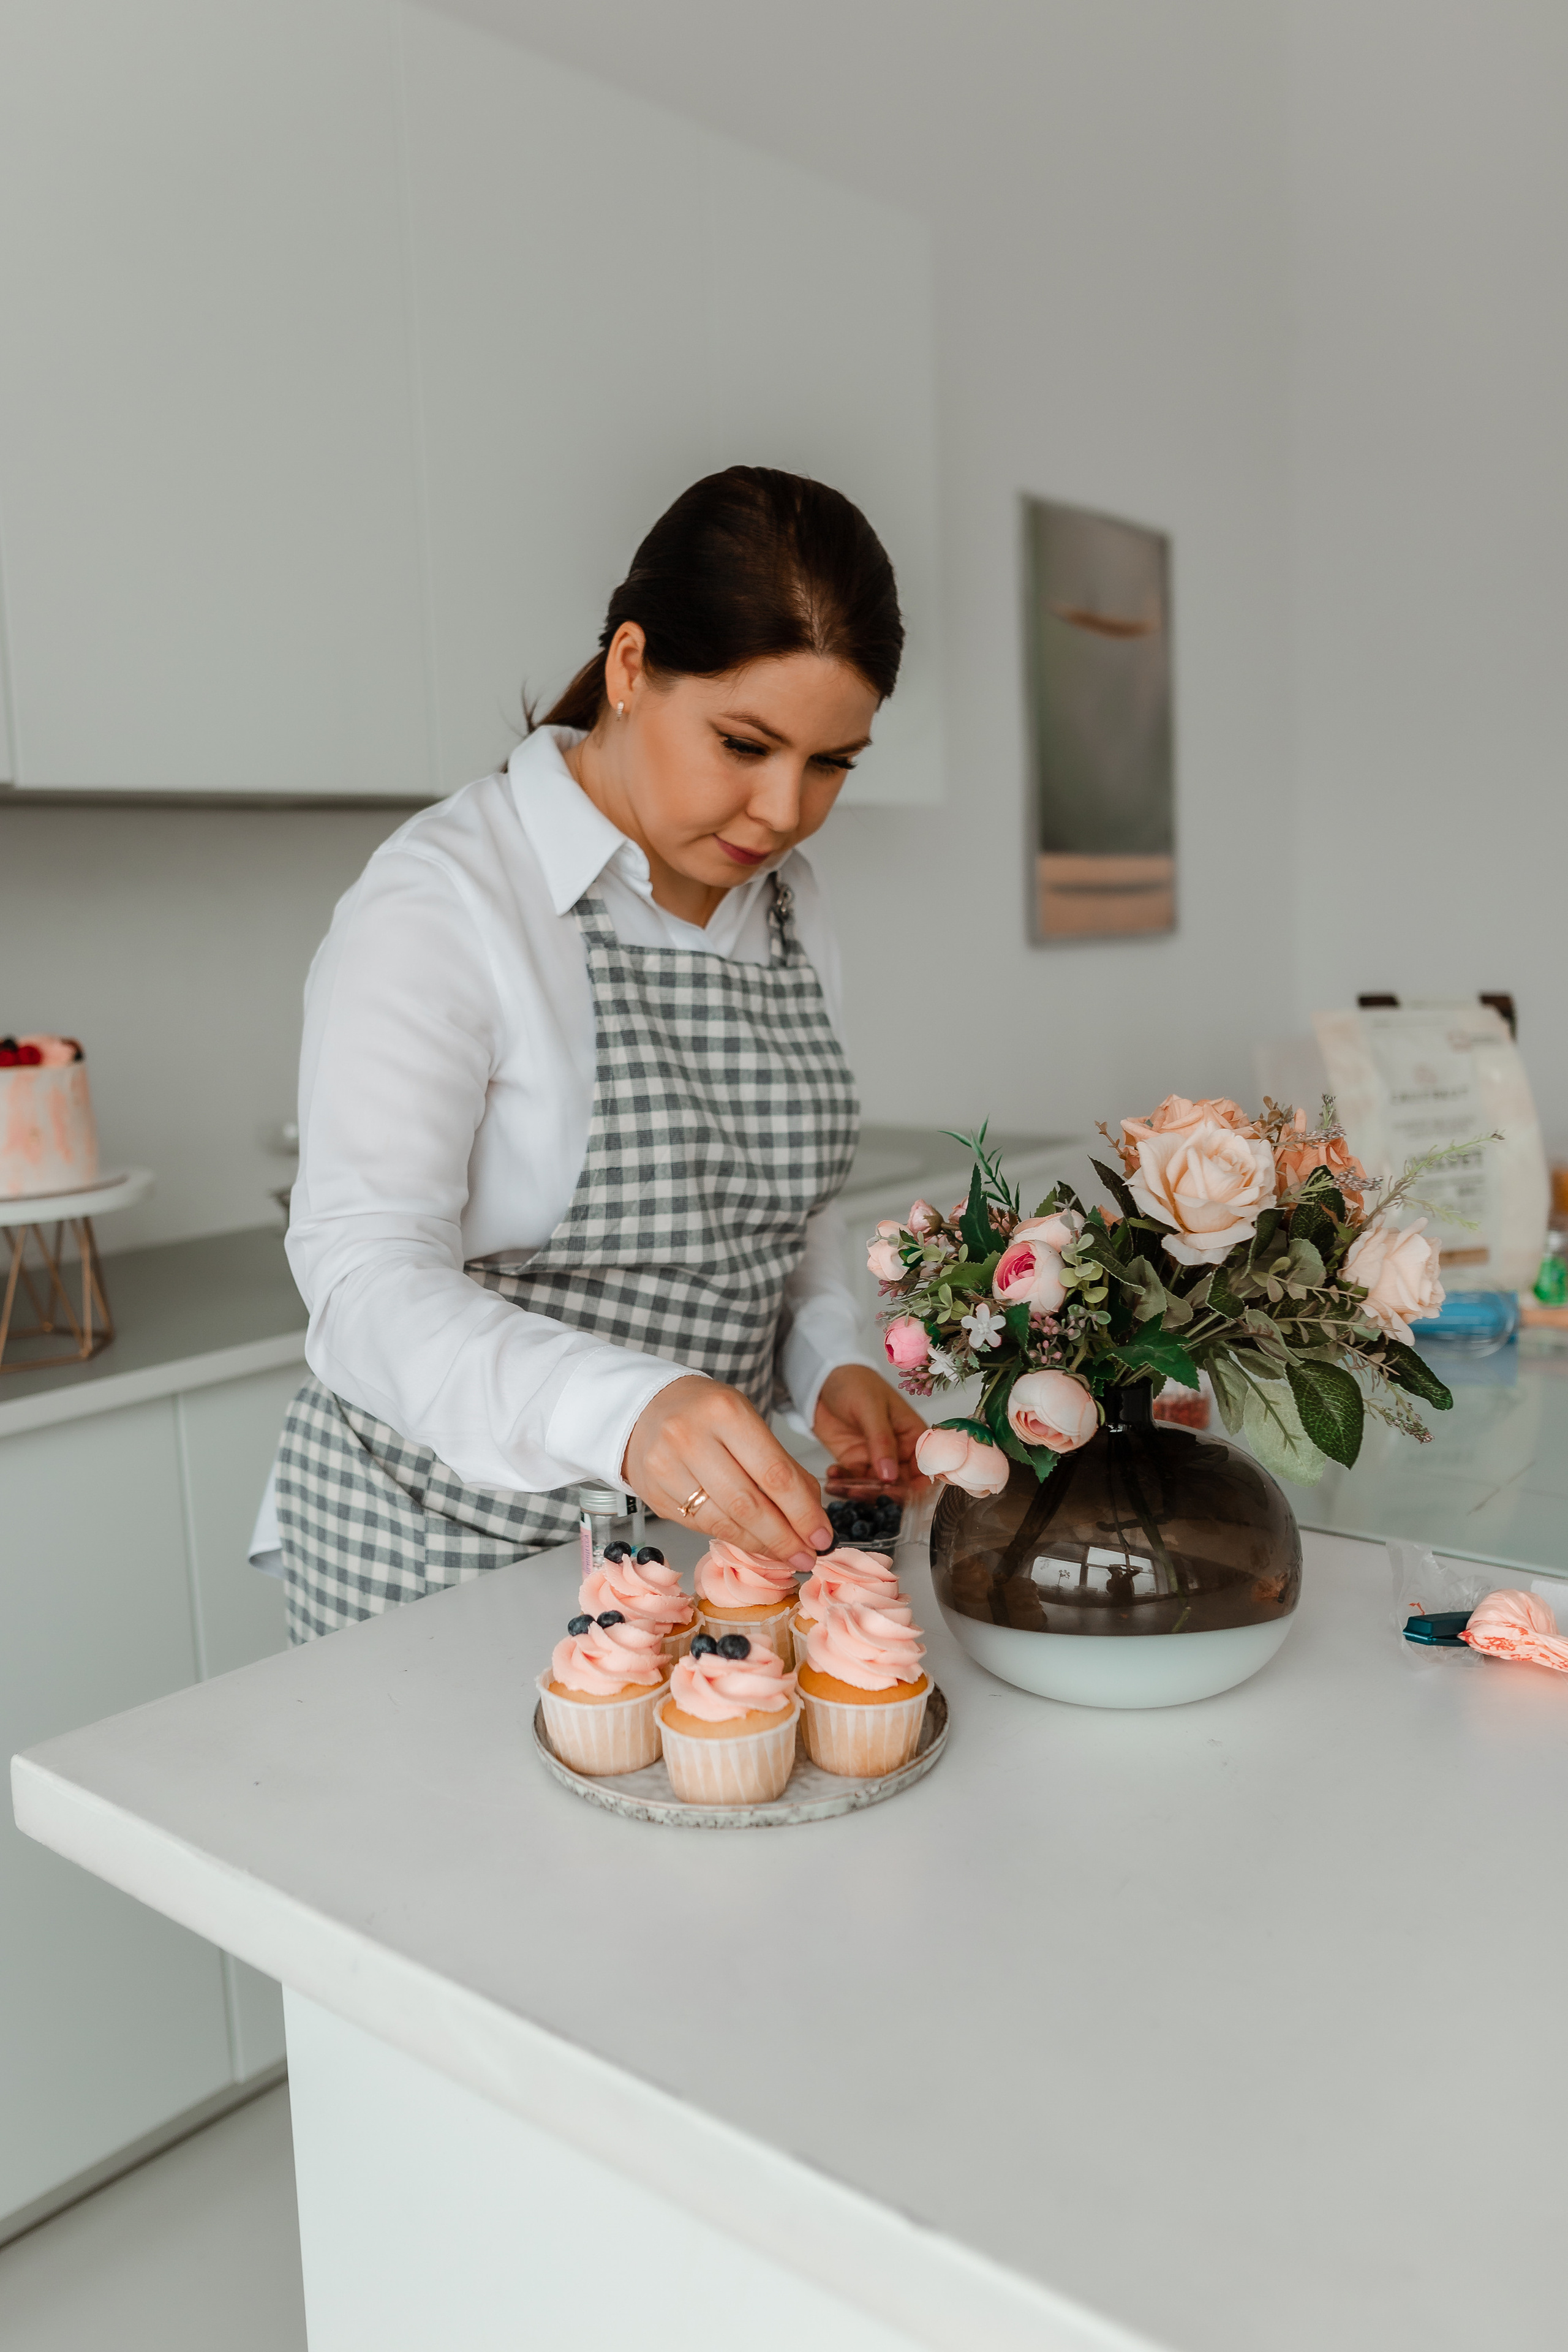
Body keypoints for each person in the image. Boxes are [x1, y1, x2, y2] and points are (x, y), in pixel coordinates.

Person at [265, 465, 924, 1642]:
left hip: (693, 1545)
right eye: (744, 743)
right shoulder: (447, 898)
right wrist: (626, 1410)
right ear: (630, 668)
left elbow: (784, 1218)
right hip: (443, 1545)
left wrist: (832, 1362)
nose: (781, 811)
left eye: (831, 764)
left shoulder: (788, 905)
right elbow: (364, 1285)